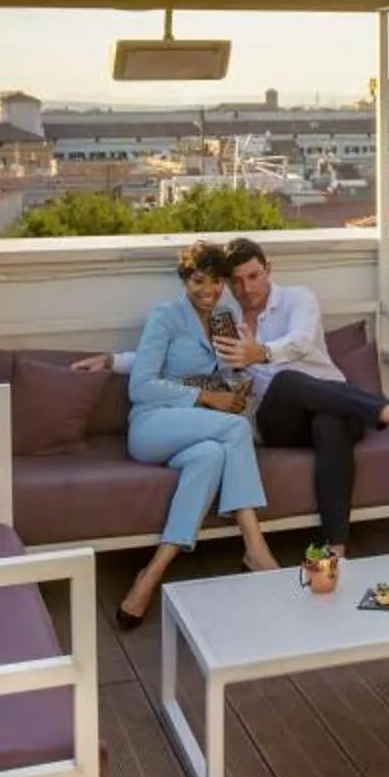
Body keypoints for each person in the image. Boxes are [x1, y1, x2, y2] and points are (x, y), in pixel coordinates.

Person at [214, 236, 389, 555]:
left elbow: (300, 342)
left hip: (336, 405)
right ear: (228, 284)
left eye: (253, 276)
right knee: (285, 381)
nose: (247, 289)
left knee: (329, 423)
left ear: (268, 270)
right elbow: (228, 375)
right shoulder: (226, 320)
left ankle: (335, 551)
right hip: (280, 420)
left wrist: (261, 353)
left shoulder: (299, 299)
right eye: (237, 282)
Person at [115, 242, 277, 628]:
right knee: (236, 430)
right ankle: (255, 548)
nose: (209, 290)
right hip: (154, 424)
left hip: (197, 430)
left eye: (217, 282)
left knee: (211, 457)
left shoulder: (223, 317)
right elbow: (140, 386)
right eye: (199, 281)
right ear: (185, 279)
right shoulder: (165, 317)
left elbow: (227, 371)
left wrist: (237, 387)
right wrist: (206, 397)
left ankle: (151, 573)